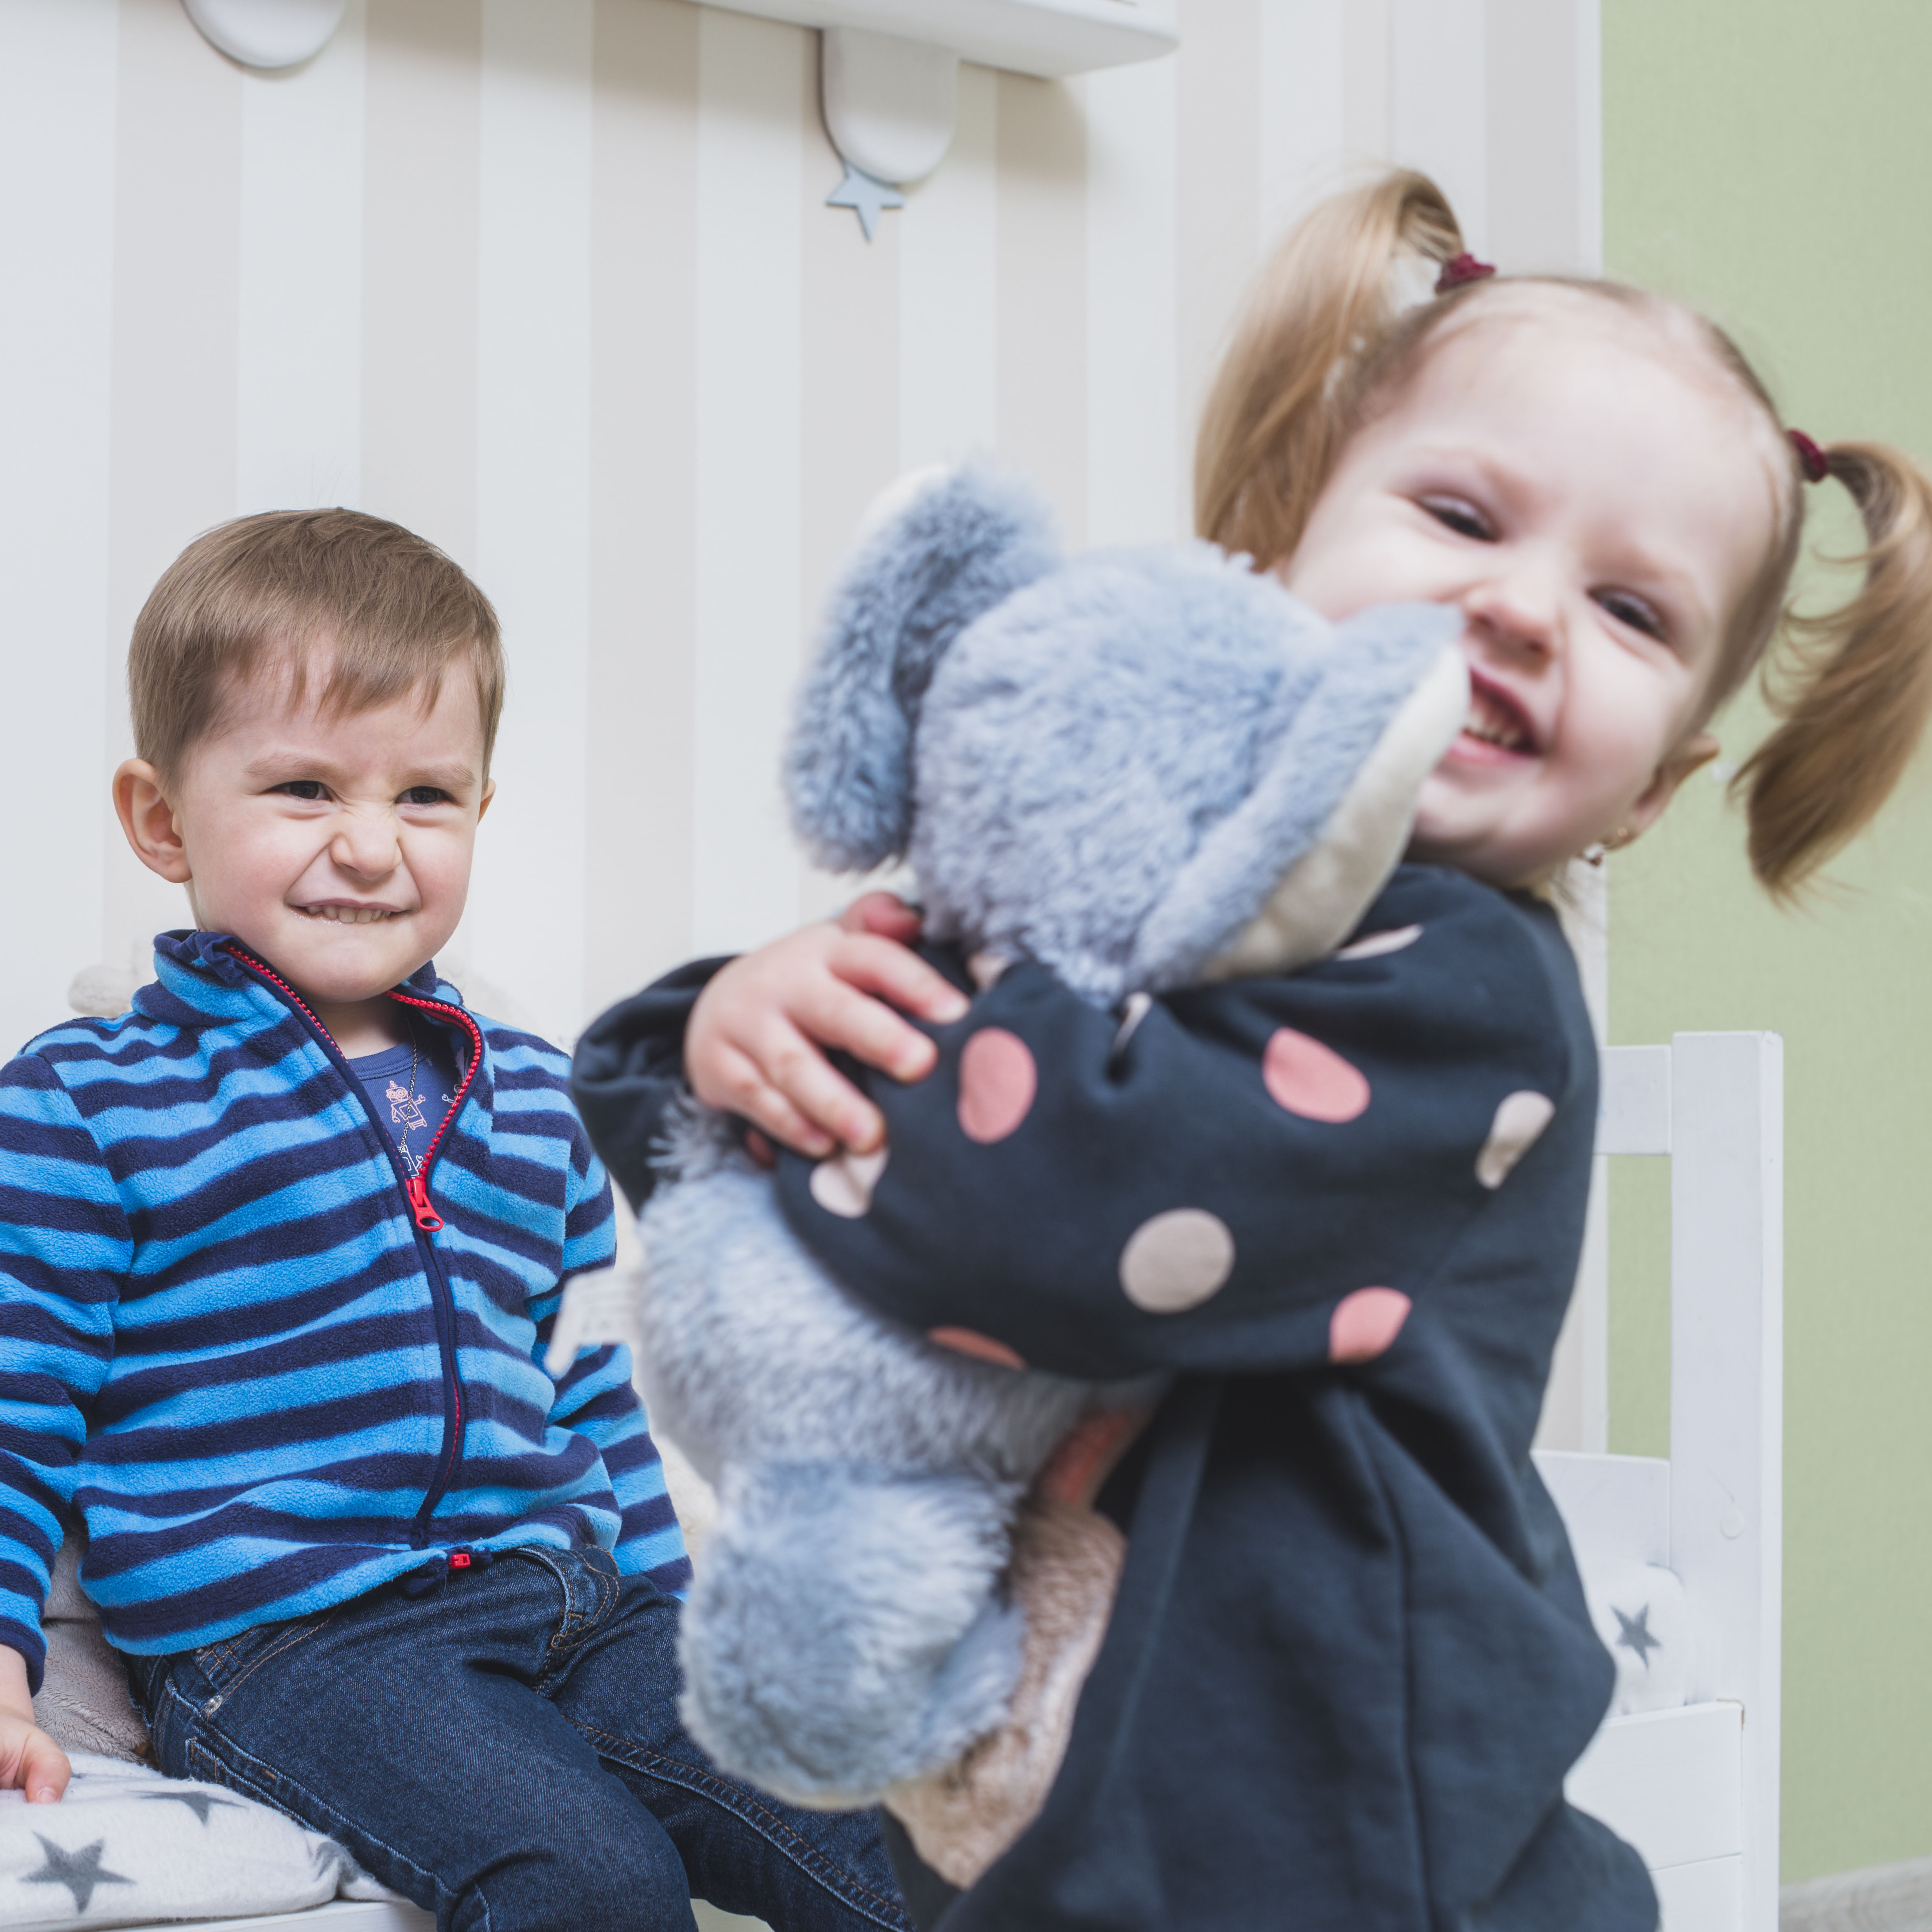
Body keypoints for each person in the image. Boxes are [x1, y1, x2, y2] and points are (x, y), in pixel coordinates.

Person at [571, 172, 1932, 1932]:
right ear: (1279, 545)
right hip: (1086, 1801)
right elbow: (858, 1119)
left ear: (1653, 790)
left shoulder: (1469, 992)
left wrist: (808, 1058)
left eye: (1631, 612)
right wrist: (732, 1019)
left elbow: (1055, 1201)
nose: (1526, 608)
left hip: (1333, 1834)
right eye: (1462, 515)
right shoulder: (1149, 894)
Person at [0, 509, 913, 1932]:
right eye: (304, 788)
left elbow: (590, 1393)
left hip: (574, 1600)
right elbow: (18, 1398)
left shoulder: (537, 1099)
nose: (371, 846)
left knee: (882, 1826)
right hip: (297, 1646)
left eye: (425, 795)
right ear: (163, 818)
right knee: (593, 1876)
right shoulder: (91, 1101)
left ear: (481, 810)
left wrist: (684, 1619)